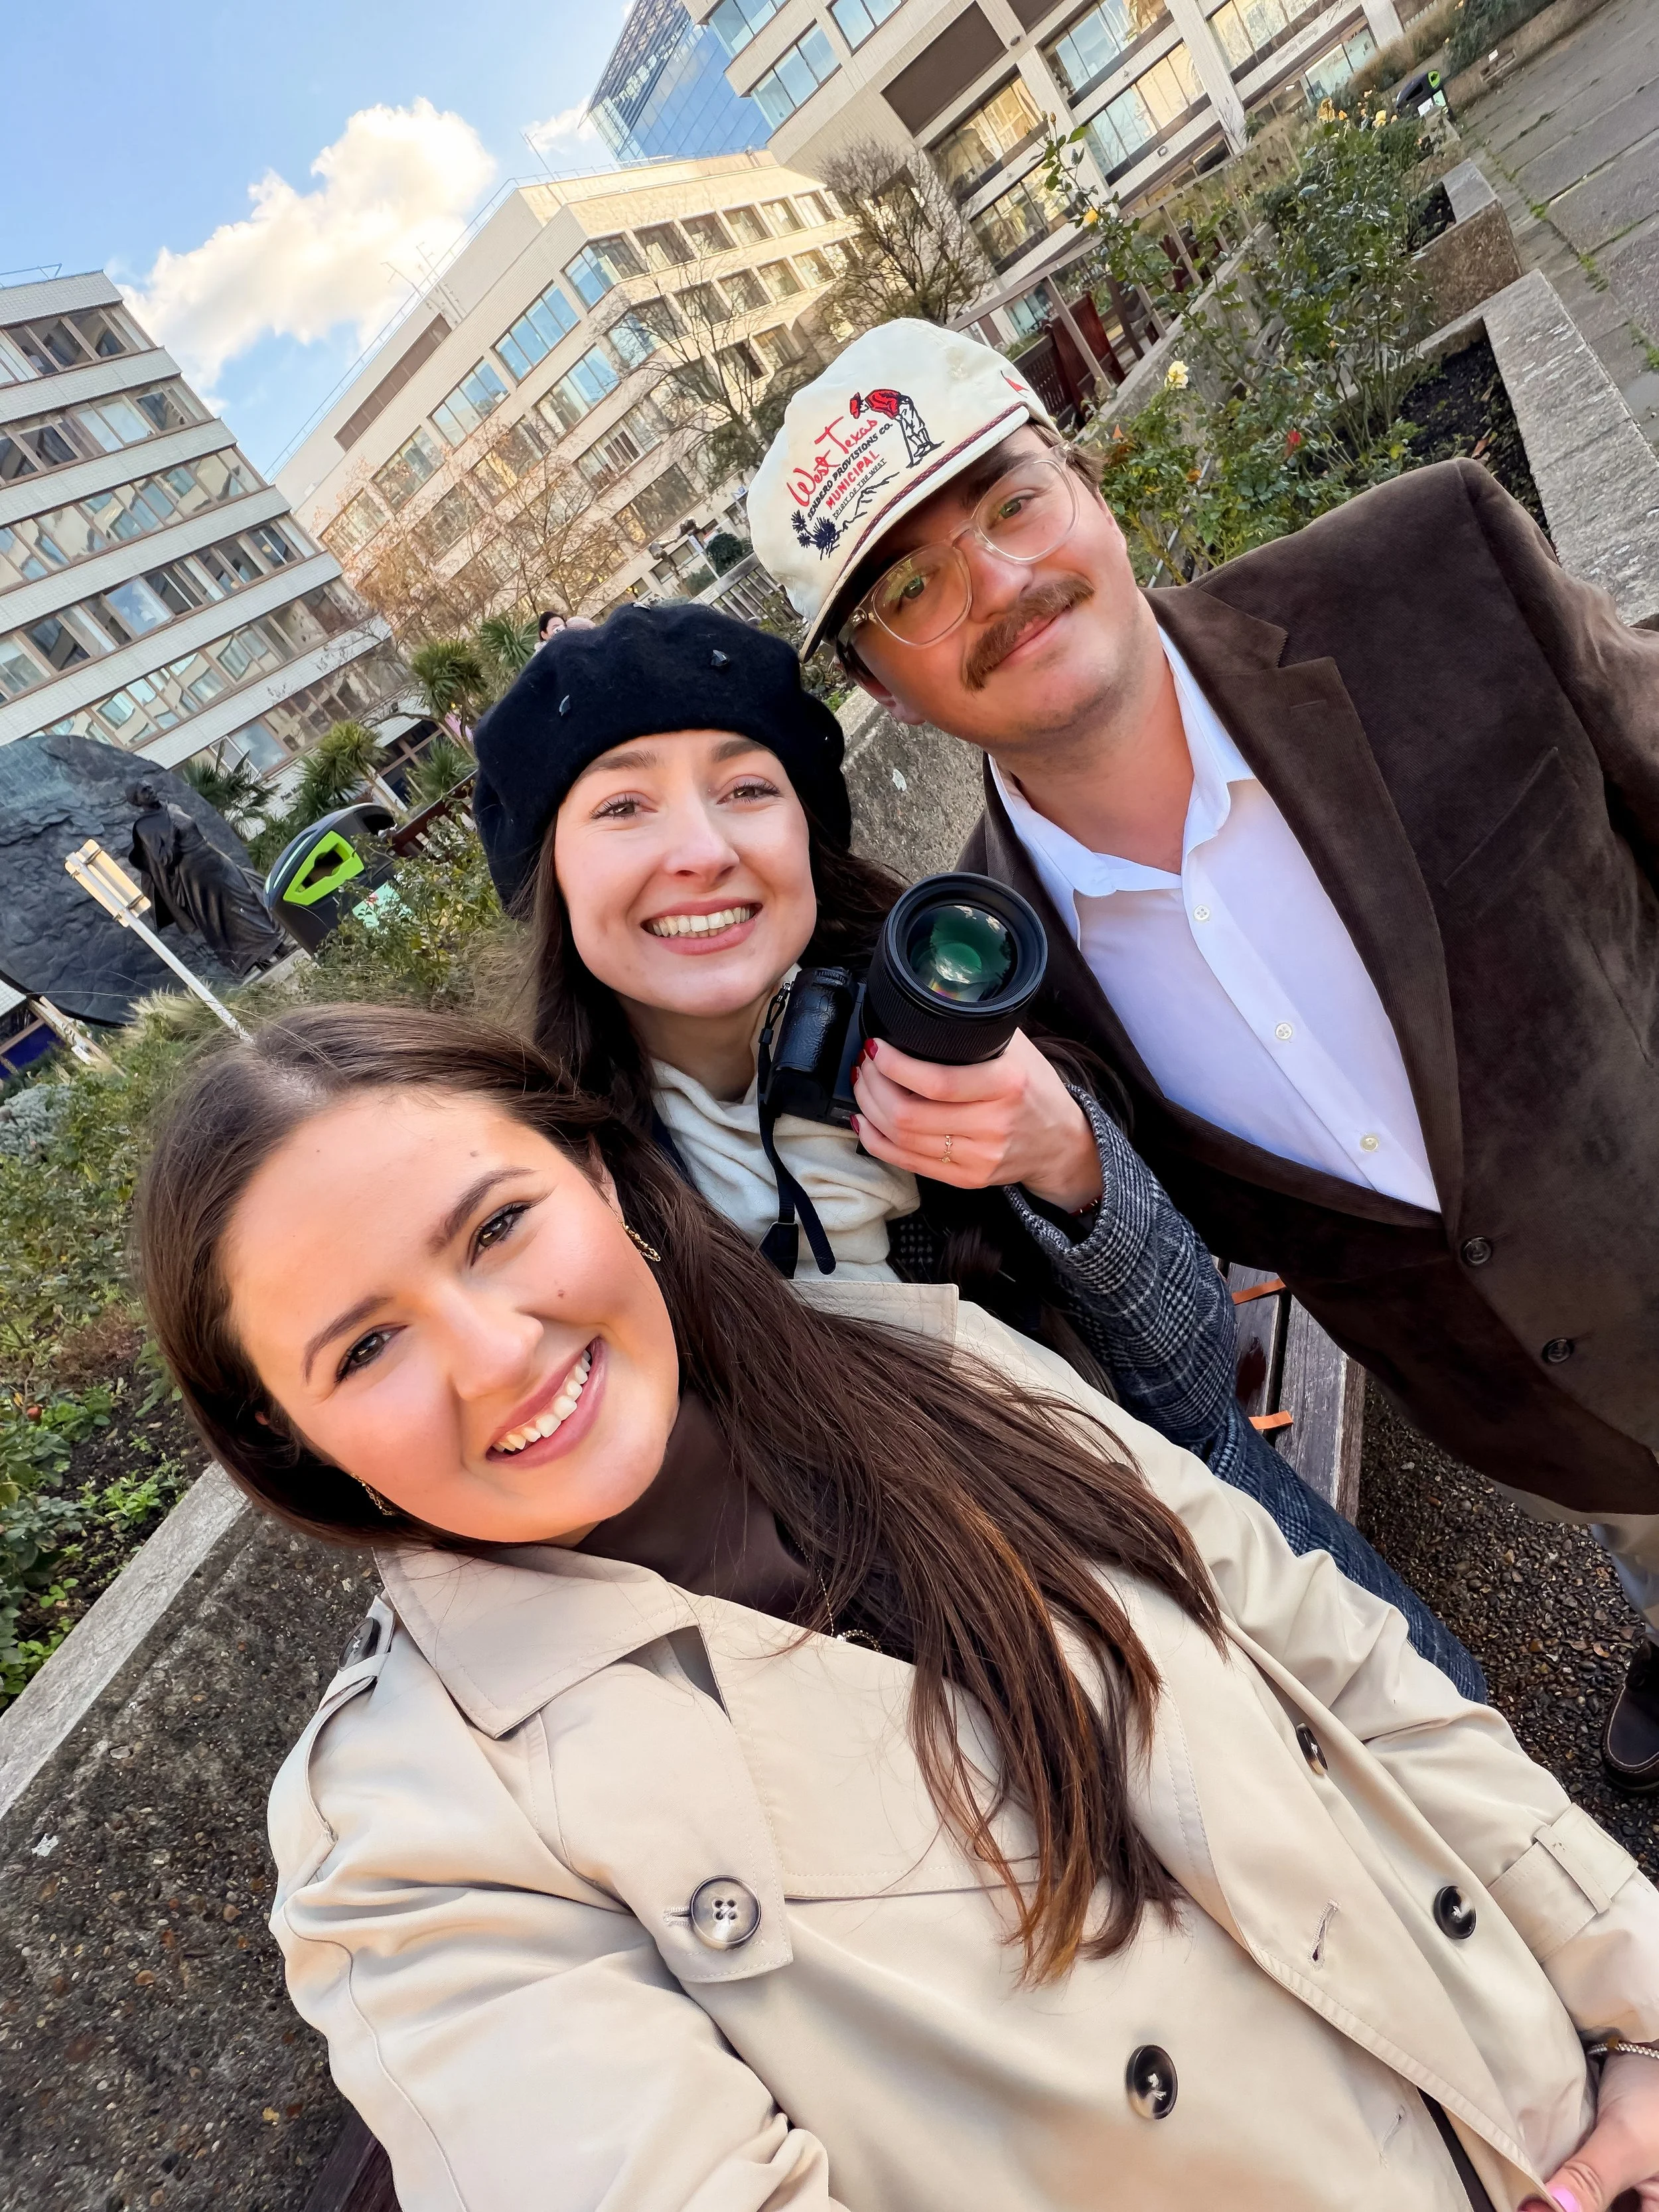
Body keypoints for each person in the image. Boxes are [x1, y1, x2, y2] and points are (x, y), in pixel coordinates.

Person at [137, 1003, 1659, 2212]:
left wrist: (1637, 2014)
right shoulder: (411, 1838)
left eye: (493, 1229)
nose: (493, 1351)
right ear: (287, 1438)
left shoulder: (919, 1362)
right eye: (362, 1349)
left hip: (1552, 2113)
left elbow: (1337, 1659)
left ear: (600, 1180)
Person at [749, 319, 1659, 1791]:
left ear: (1087, 483)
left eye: (1009, 502)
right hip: (1549, 1437)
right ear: (884, 684)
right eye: (909, 584)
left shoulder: (1431, 567)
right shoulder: (1002, 998)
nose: (996, 582)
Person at [470, 601, 1478, 1692]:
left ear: (808, 833)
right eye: (623, 805)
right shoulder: (563, 1215)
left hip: (1263, 1599)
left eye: (747, 789)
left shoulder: (949, 1005)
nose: (703, 851)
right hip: (1005, 1727)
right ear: (552, 880)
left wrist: (1068, 1163)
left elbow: (1197, 1396)